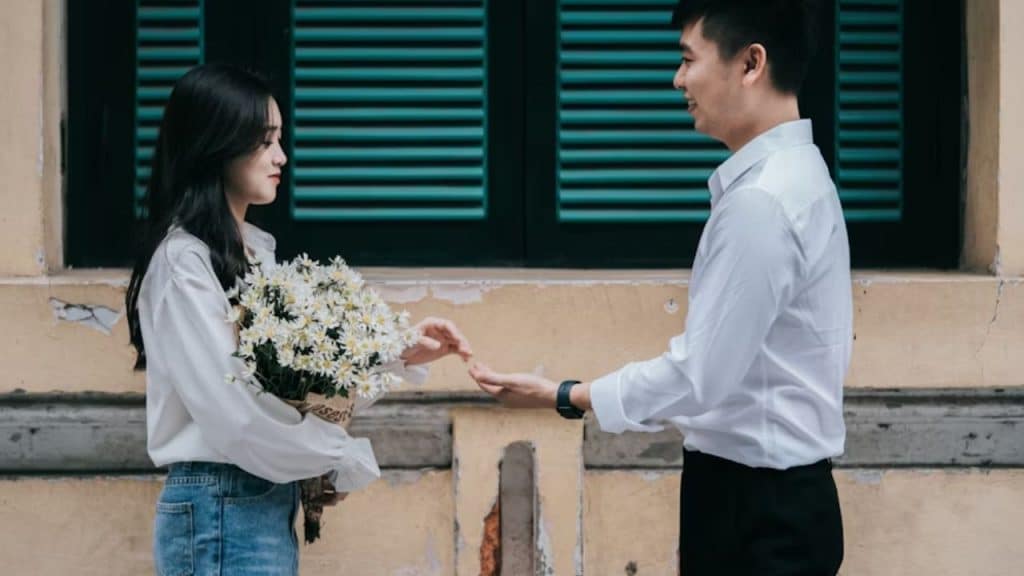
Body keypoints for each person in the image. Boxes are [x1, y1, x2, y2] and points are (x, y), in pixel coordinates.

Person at [470, 1, 849, 573]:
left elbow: (700, 377)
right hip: (776, 500)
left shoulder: (762, 203)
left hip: (756, 509)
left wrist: (565, 394)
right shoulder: (802, 175)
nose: (678, 80)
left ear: (751, 64)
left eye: (688, 59)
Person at [125, 63, 472, 575]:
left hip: (248, 500)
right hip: (222, 501)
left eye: (279, 140)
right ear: (217, 144)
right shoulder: (184, 262)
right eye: (265, 141)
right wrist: (331, 453)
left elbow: (288, 384)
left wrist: (393, 354)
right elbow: (234, 412)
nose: (281, 157)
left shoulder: (249, 253)